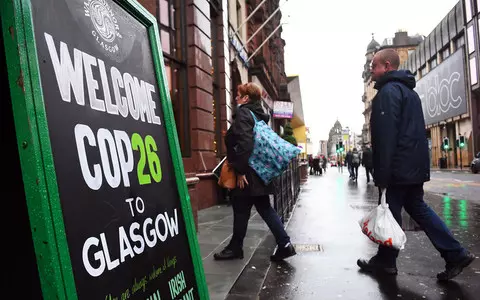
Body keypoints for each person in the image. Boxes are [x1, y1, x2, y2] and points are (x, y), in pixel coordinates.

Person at [357, 49, 475, 281]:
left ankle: (387, 261)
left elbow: (387, 137)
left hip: (398, 168)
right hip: (412, 165)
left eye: (374, 65)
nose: (371, 70)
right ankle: (453, 254)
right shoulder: (409, 92)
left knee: (390, 211)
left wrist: (382, 173)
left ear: (387, 66)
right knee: (416, 208)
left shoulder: (388, 93)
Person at [214, 82, 296, 262]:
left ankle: (236, 248)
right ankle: (285, 245)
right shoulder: (258, 115)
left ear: (246, 98)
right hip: (260, 172)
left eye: (238, 94)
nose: (236, 97)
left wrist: (241, 171)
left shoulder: (244, 113)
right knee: (264, 208)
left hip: (248, 173)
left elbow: (245, 143)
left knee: (242, 209)